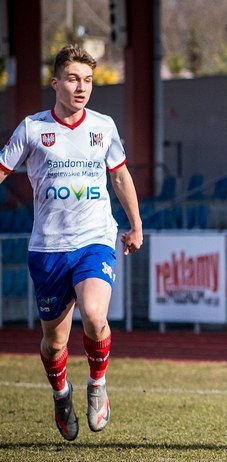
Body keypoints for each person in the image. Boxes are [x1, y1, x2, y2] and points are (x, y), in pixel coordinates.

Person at [0, 44, 143, 441]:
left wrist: (135, 225)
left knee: (95, 317)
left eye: (88, 80)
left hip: (95, 238)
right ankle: (61, 394)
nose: (81, 88)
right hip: (47, 249)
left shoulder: (103, 127)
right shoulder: (32, 129)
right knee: (54, 342)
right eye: (73, 79)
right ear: (55, 83)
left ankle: (98, 384)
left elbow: (120, 176)